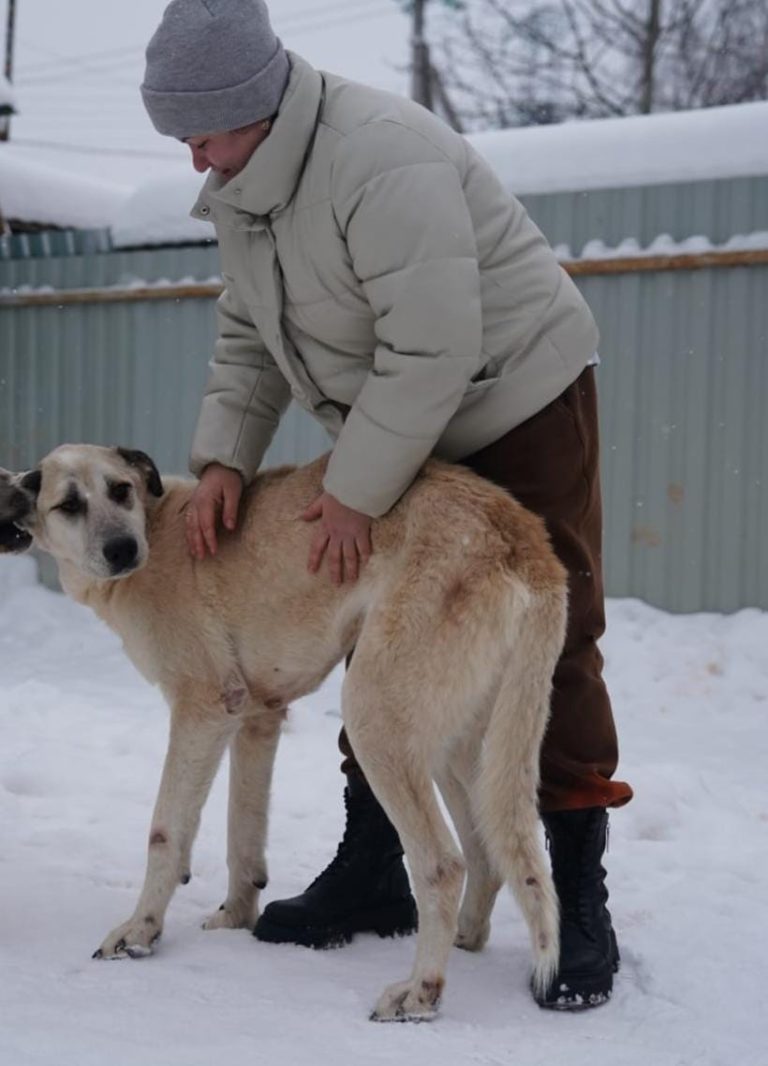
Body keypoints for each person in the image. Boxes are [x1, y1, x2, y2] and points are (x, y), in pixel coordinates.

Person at [141, 0, 633, 1010]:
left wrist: (356, 488)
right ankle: (378, 860)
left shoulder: (381, 156)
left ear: (251, 105)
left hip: (514, 392)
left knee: (557, 617)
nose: (194, 160)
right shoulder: (246, 185)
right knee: (377, 615)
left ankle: (574, 885)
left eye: (200, 134)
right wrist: (226, 457)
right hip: (400, 404)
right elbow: (247, 332)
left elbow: (436, 349)